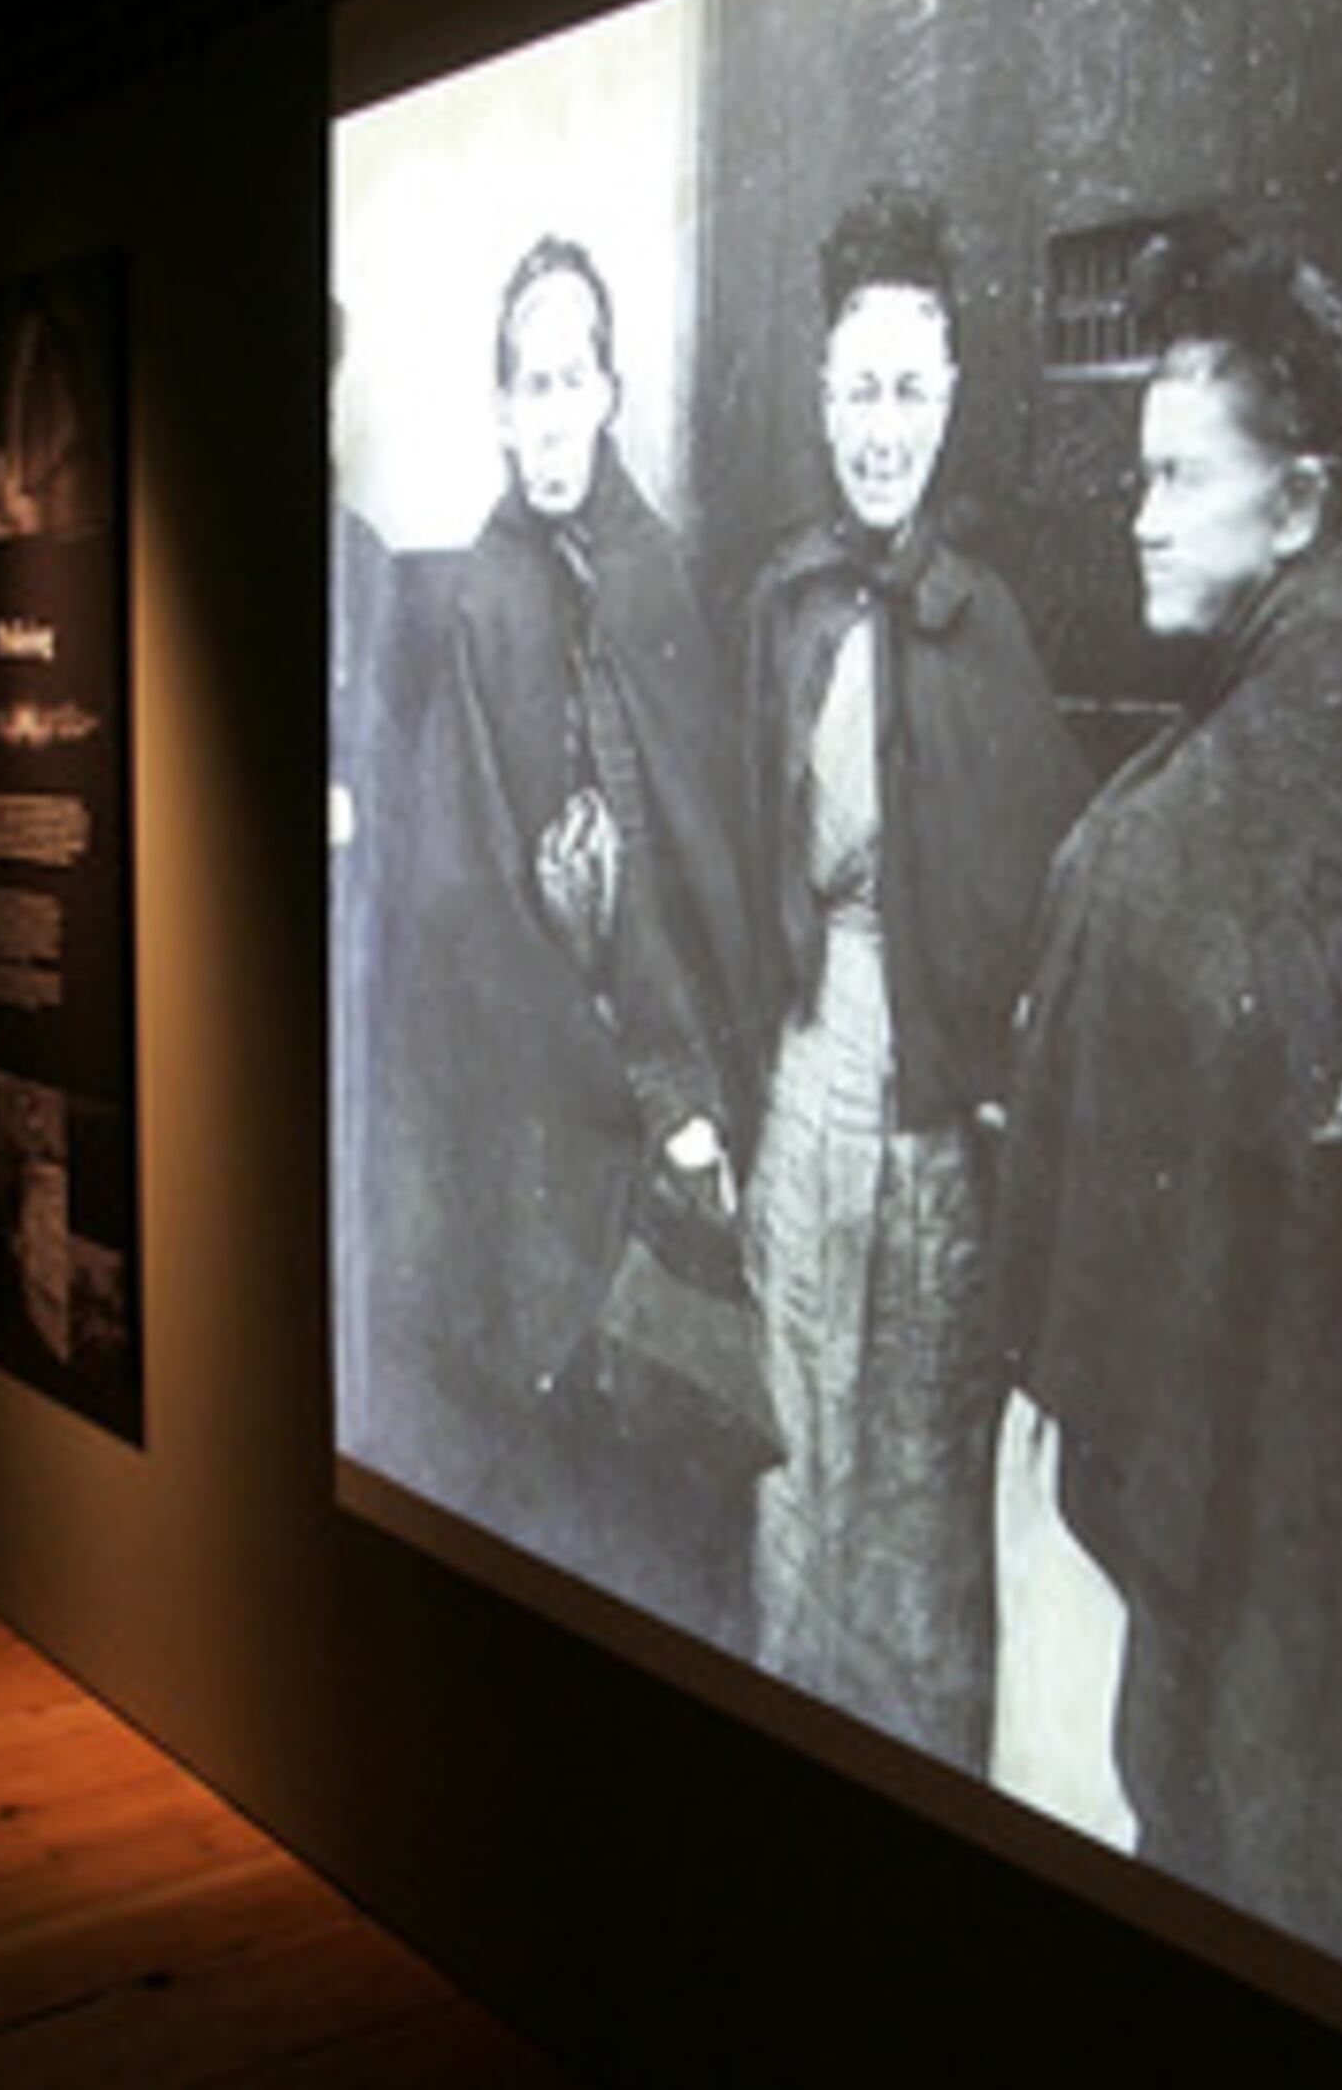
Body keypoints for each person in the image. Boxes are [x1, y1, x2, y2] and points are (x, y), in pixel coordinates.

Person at [987, 221, 1342, 1993]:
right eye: (1137, 477)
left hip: (1290, 1465)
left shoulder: (1258, 776)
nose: (1139, 518)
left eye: (1179, 479)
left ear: (1298, 504)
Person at [356, 234, 761, 1646]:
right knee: (560, 1473)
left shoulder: (656, 574)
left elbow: (708, 855)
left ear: (610, 394)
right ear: (500, 406)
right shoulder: (482, 599)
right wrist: (568, 954)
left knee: (678, 1474)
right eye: (526, 385)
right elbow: (456, 894)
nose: (549, 416)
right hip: (544, 1099)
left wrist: (687, 1081)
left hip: (668, 1079)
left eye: (572, 380)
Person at [735, 187, 1083, 1763]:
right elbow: (745, 858)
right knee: (796, 1438)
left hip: (936, 1105)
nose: (882, 430)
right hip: (806, 1075)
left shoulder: (985, 619)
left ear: (946, 404)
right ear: (824, 405)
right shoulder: (784, 604)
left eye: (908, 394)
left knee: (920, 1460)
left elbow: (1032, 881)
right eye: (858, 392)